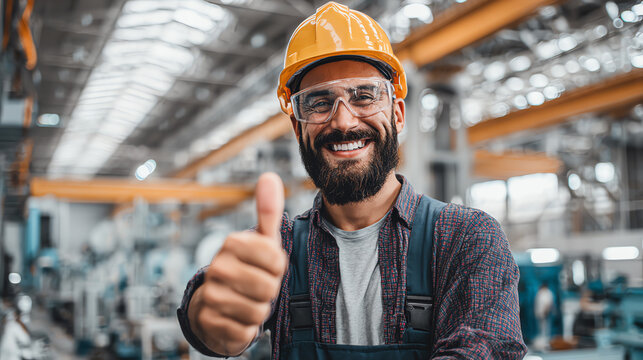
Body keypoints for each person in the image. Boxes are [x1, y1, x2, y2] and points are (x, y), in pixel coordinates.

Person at [177, 2, 526, 359]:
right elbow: (209, 315)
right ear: (298, 128)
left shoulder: (464, 238)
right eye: (318, 102)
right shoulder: (278, 248)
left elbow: (485, 349)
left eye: (364, 95)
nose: (343, 121)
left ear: (398, 113)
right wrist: (213, 317)